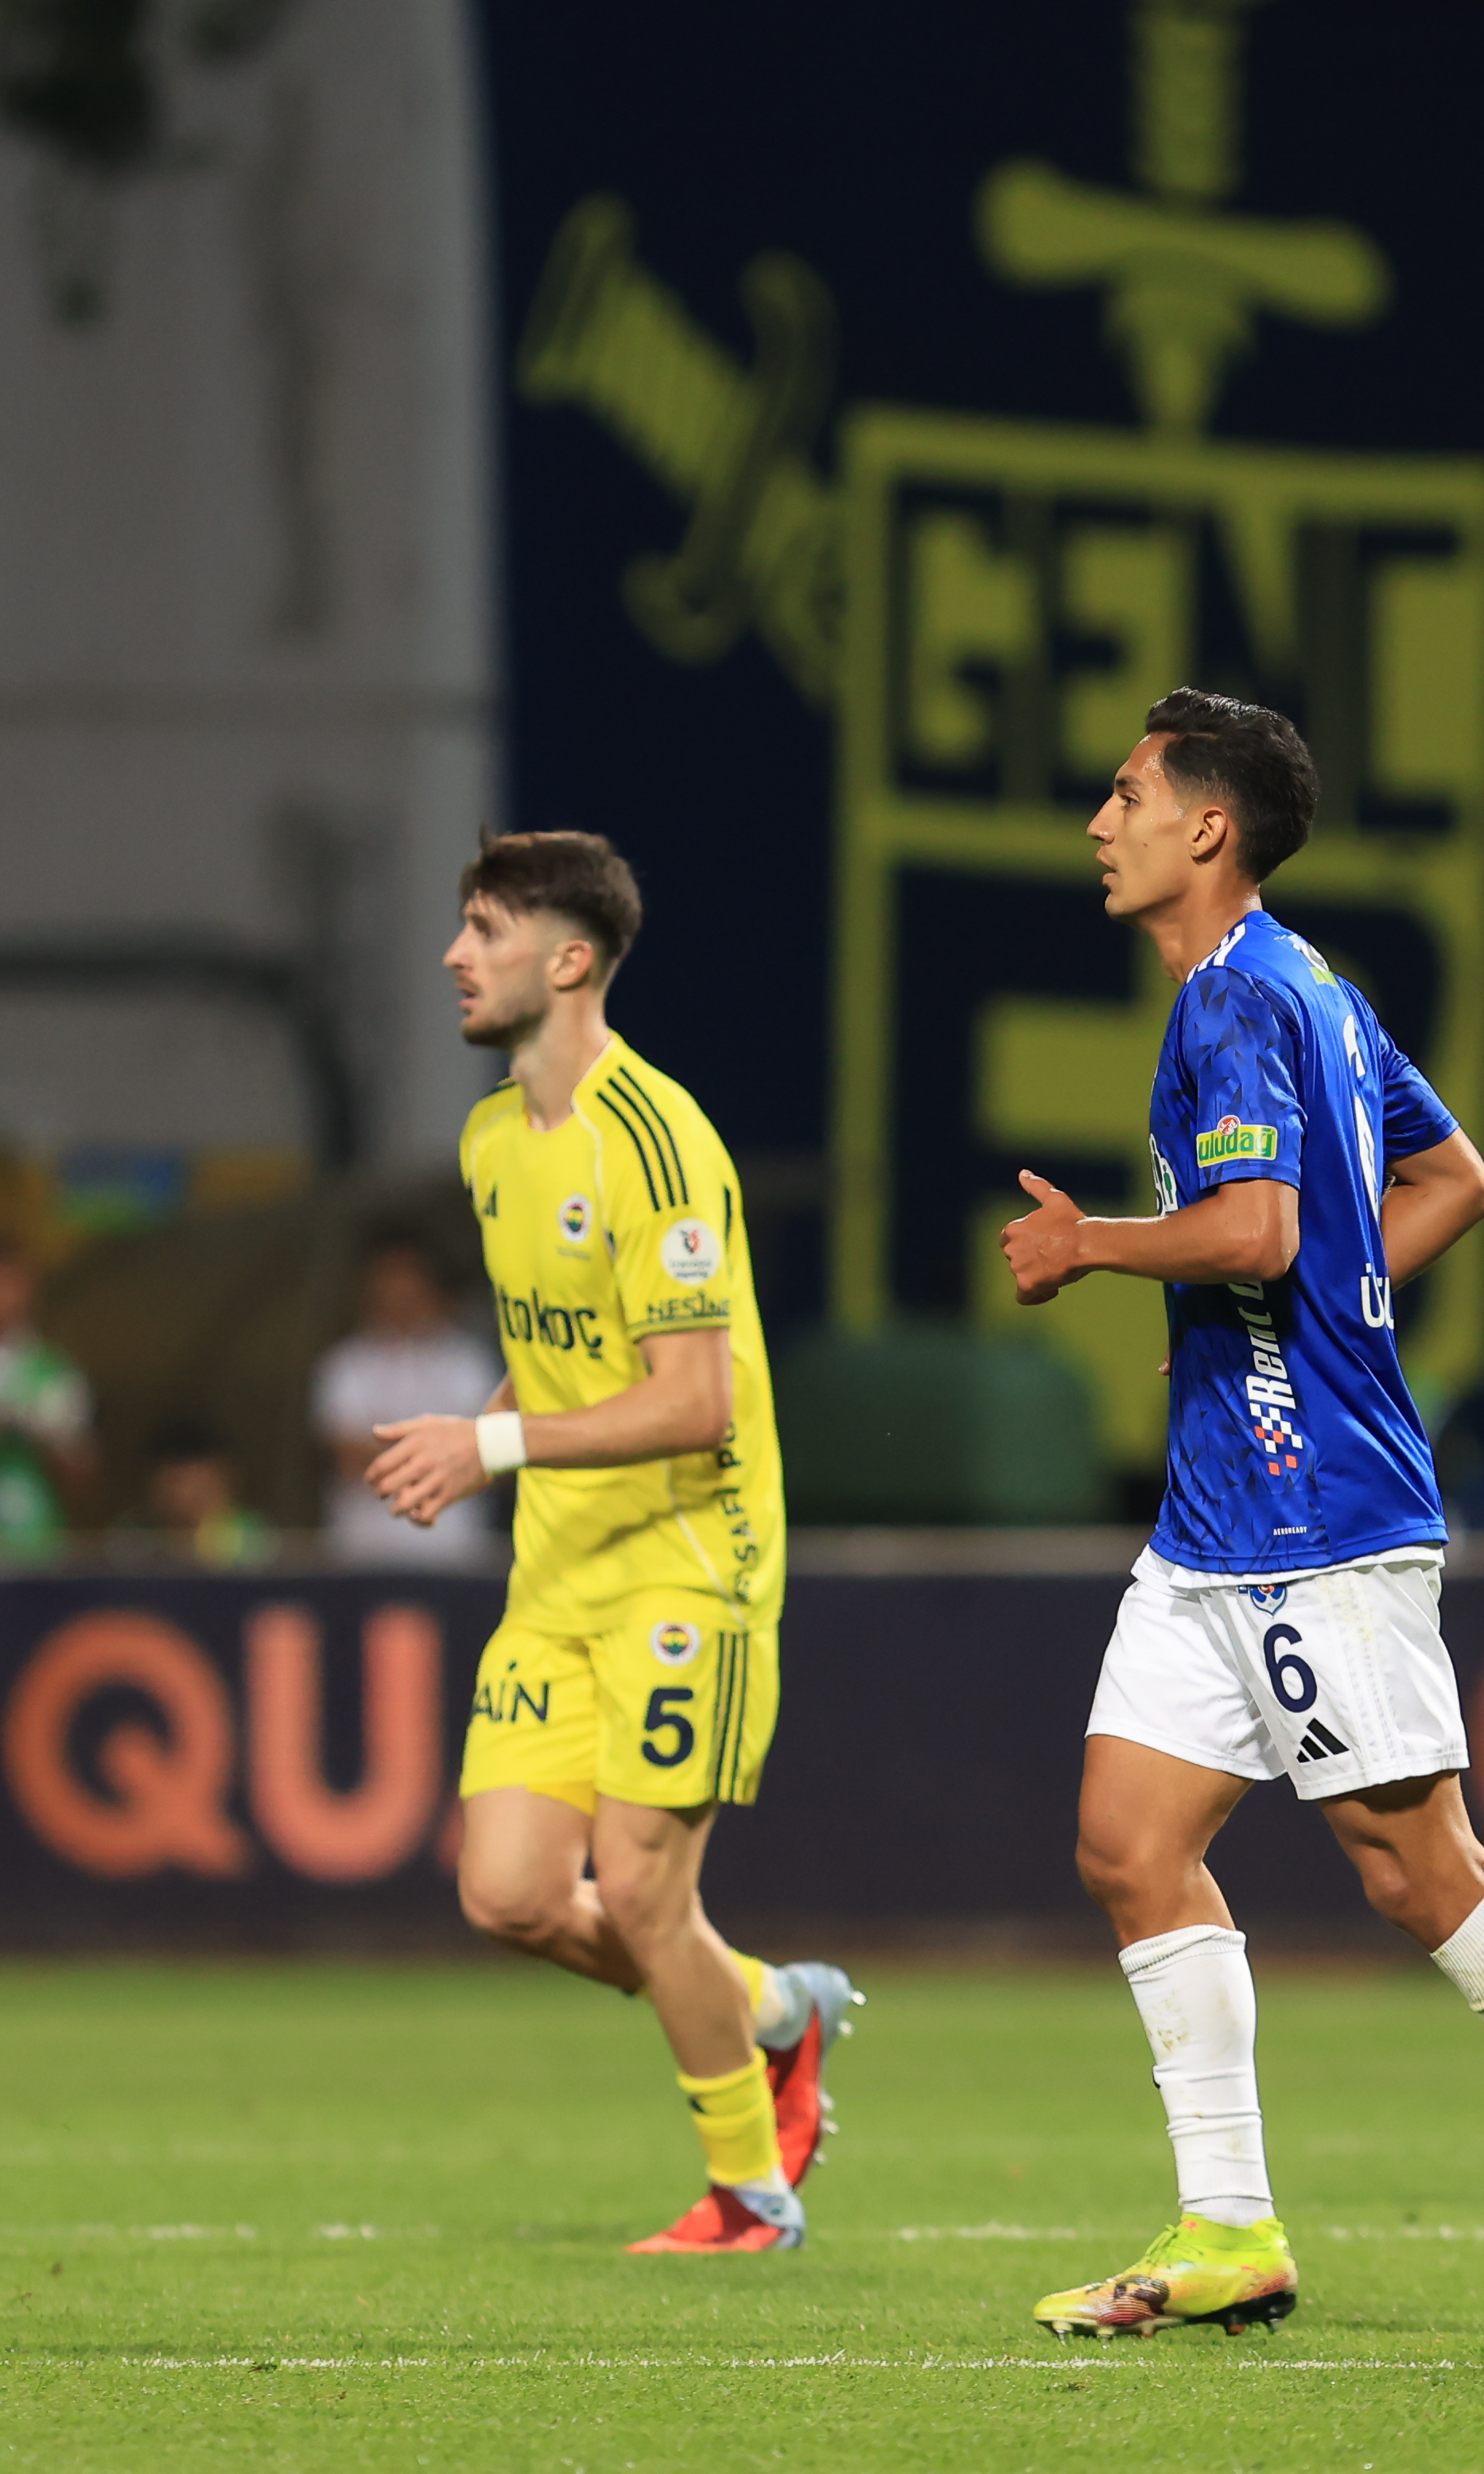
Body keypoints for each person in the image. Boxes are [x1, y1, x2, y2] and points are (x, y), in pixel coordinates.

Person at [1000, 688, 1484, 2346]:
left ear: (1205, 827)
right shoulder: (1311, 984)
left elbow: (1253, 1229)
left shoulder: (1240, 1000)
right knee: (1128, 1844)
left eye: (1125, 795)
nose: (1098, 823)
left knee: (1412, 1863)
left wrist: (1097, 1245)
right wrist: (1310, 1302)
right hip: (1213, 1517)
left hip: (1315, 1509)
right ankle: (1225, 2226)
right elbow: (1452, 1178)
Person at [365, 829, 857, 2255]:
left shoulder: (654, 1139)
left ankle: (748, 2189)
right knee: (510, 1894)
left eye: (484, 929)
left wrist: (487, 1448)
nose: (455, 955)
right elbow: (557, 1352)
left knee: (643, 1890)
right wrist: (478, 1435)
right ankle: (771, 2007)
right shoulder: (488, 1141)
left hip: (688, 1561)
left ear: (569, 958)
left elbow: (694, 1400)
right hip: (559, 1569)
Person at [312, 1233, 503, 1567]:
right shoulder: (346, 1363)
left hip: (455, 1552)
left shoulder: (469, 1361)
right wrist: (444, 1455)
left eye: (408, 1274)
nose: (399, 1288)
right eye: (388, 1276)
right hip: (362, 1550)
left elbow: (493, 1455)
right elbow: (347, 1458)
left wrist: (390, 1455)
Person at [0, 1241, 95, 1559]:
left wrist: (45, 1434)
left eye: (9, 1281)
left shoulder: (54, 1372)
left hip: (33, 1542)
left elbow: (82, 1472)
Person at [139, 1419, 275, 1569]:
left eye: (203, 1487)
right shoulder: (133, 1536)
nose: (187, 1496)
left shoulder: (254, 1535)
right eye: (175, 1481)